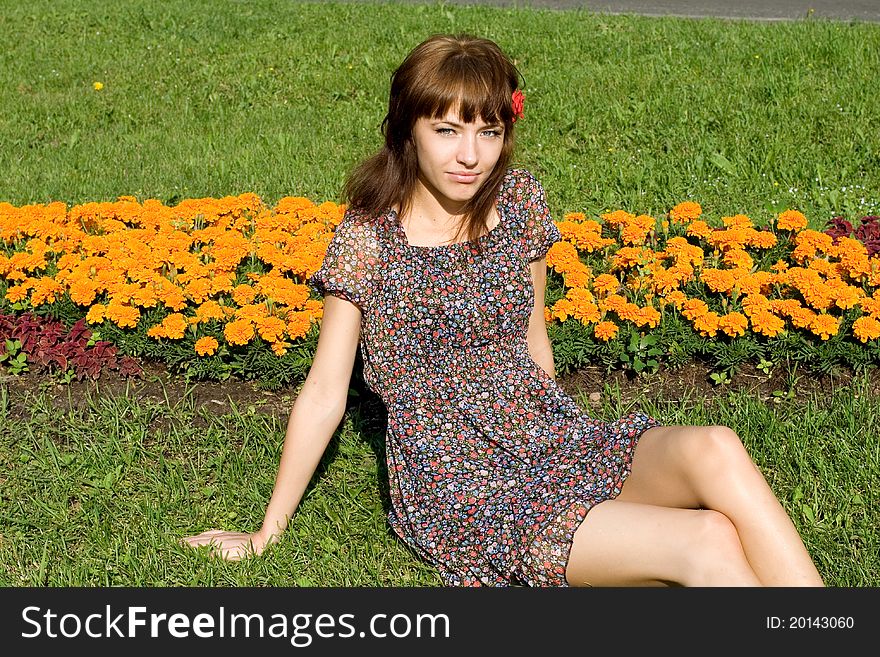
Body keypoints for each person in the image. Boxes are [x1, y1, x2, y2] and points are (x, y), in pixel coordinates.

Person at [183, 34, 824, 587]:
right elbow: (325, 390)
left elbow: (534, 339)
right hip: (463, 486)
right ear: (406, 128)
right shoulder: (368, 236)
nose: (470, 156)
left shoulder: (518, 201)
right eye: (447, 130)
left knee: (715, 446)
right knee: (705, 539)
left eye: (488, 132)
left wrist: (560, 438)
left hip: (550, 437)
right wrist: (267, 529)